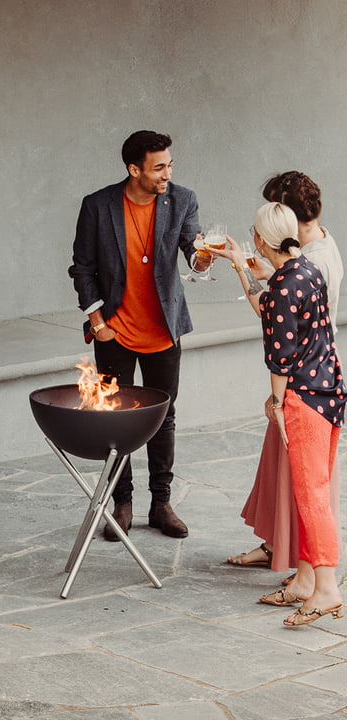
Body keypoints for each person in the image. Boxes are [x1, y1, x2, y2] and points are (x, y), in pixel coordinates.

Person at [69, 130, 209, 540]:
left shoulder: (182, 199)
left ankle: (161, 503)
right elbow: (82, 268)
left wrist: (203, 259)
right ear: (135, 169)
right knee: (116, 422)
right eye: (159, 167)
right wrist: (98, 324)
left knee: (163, 420)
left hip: (164, 331)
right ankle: (122, 502)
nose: (167, 173)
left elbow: (194, 250)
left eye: (170, 165)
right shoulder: (98, 206)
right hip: (115, 332)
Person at [210, 202, 344, 626]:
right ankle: (305, 579)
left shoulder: (286, 284)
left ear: (261, 241)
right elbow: (270, 311)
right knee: (311, 491)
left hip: (304, 398)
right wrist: (239, 266)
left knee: (312, 495)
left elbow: (279, 355)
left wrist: (277, 404)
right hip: (330, 392)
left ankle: (327, 589)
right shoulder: (304, 271)